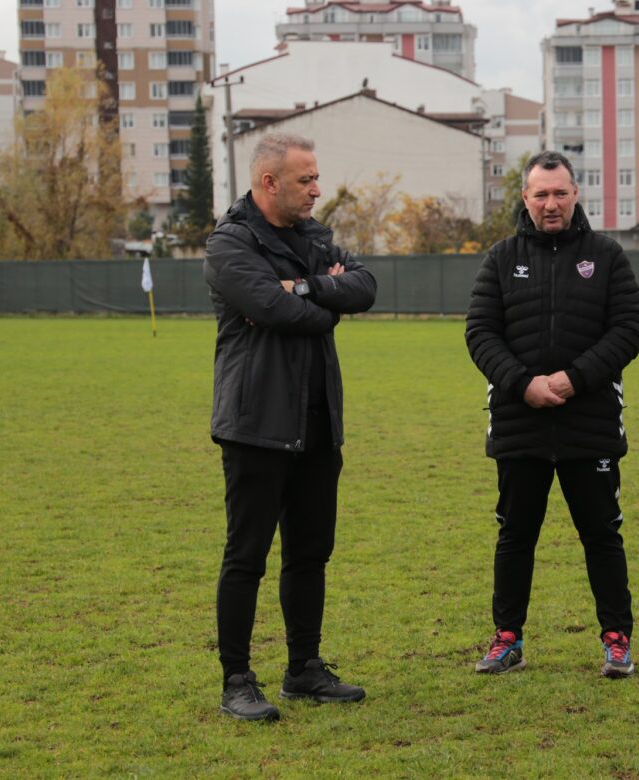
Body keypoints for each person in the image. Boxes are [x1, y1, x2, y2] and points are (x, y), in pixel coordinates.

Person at [204, 132, 377, 721]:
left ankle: (303, 669)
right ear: (269, 181)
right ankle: (236, 681)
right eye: (306, 179)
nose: (317, 189)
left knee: (309, 552)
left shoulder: (313, 237)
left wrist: (308, 287)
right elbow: (274, 310)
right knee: (246, 555)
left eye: (316, 177)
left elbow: (364, 288)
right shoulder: (229, 243)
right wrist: (323, 302)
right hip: (255, 422)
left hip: (317, 421)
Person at [465, 151, 639, 678]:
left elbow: (629, 329)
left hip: (588, 426)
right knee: (515, 535)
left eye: (560, 193)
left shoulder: (606, 256)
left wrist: (574, 378)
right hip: (521, 425)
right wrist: (524, 384)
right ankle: (507, 638)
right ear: (525, 198)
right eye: (540, 194)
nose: (550, 203)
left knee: (602, 535)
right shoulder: (500, 258)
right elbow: (479, 333)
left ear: (575, 194)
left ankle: (616, 638)